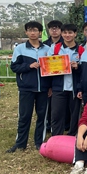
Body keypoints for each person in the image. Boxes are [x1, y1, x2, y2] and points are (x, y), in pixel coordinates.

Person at [8, 21, 52, 152]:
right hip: (26, 88)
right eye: (30, 30)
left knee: (42, 116)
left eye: (35, 30)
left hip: (43, 89)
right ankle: (20, 143)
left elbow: (51, 70)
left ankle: (39, 142)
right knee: (24, 116)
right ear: (26, 32)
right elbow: (14, 67)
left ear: (40, 32)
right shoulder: (20, 49)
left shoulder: (47, 49)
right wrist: (29, 66)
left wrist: (50, 86)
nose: (33, 33)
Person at [50, 23, 84, 136]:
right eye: (65, 32)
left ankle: (72, 137)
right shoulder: (55, 48)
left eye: (70, 32)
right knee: (56, 114)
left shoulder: (81, 50)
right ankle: (56, 137)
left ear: (75, 34)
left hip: (75, 88)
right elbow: (47, 67)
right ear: (61, 33)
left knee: (75, 115)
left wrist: (77, 67)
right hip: (59, 87)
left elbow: (84, 71)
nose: (67, 35)